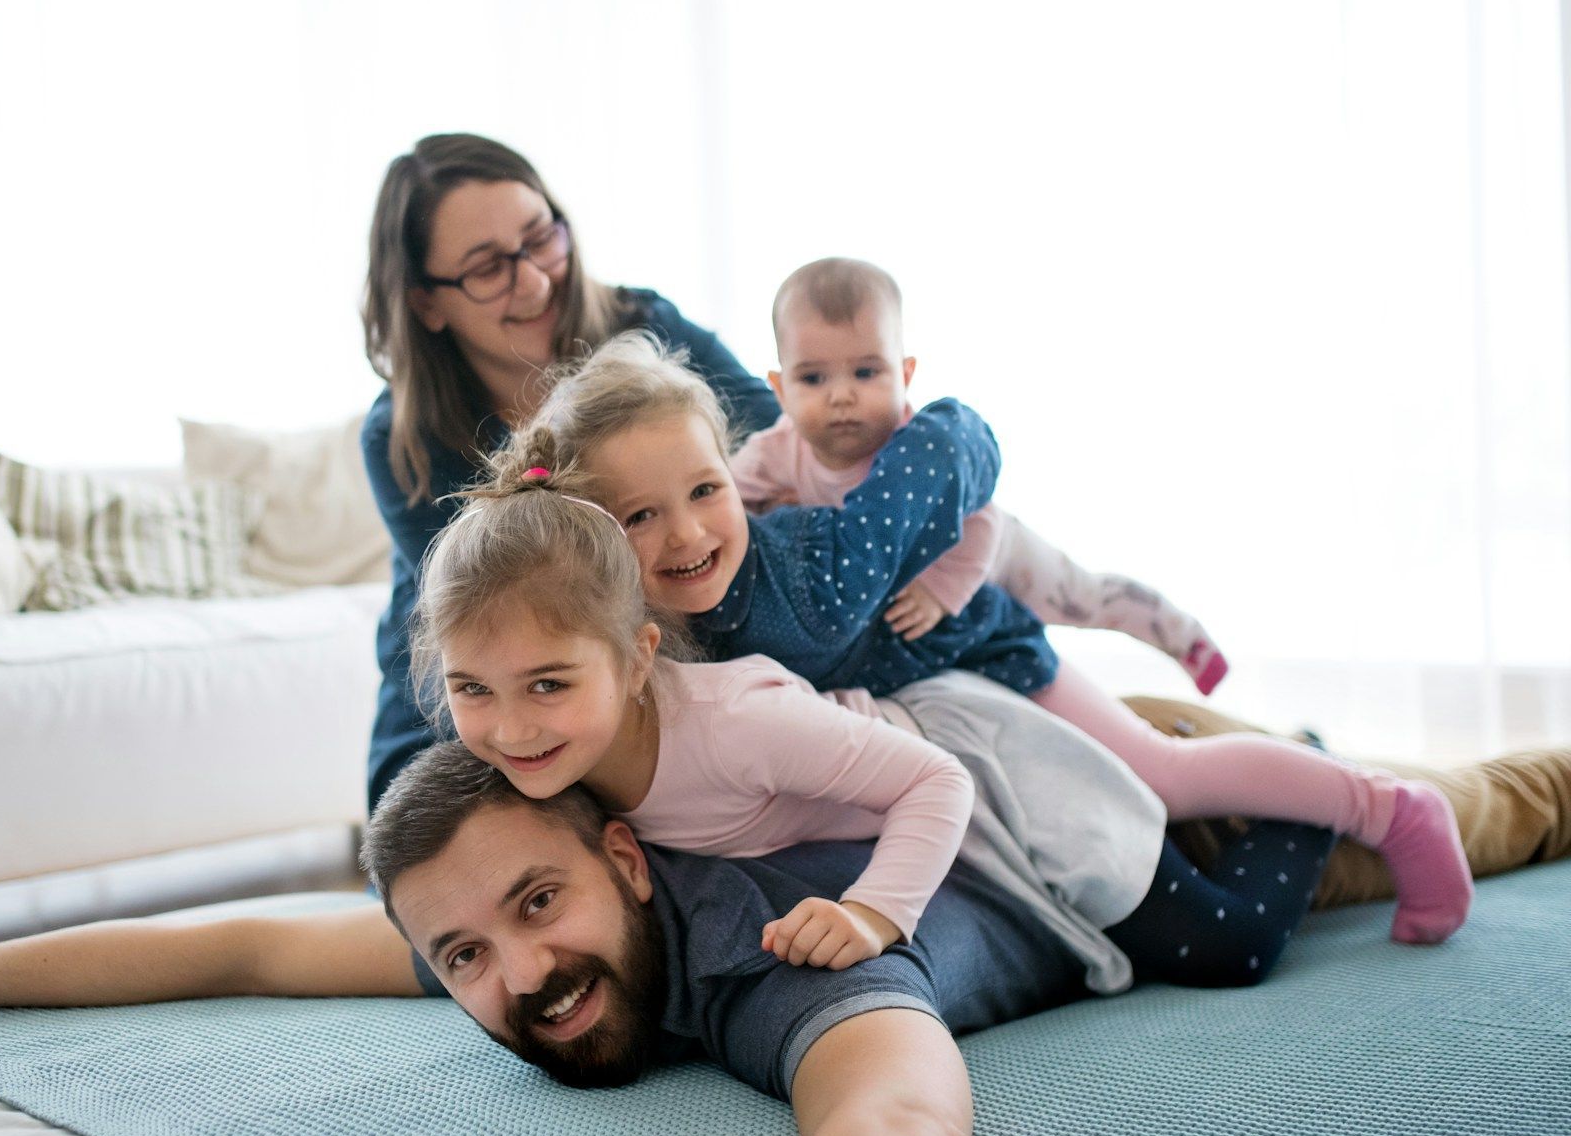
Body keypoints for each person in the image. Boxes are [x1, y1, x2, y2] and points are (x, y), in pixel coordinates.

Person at [0, 739, 1120, 1136]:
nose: (524, 972)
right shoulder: (521, 933)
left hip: (1075, 832)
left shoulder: (768, 960)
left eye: (537, 899)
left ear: (627, 856)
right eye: (463, 953)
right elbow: (235, 940)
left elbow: (897, 1119)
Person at [511, 331, 1472, 943]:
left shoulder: (816, 570)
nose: (683, 534)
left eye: (703, 493)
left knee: (1163, 776)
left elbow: (952, 434)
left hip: (983, 649)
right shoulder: (634, 629)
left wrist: (939, 514)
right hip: (923, 714)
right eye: (638, 517)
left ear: (735, 473)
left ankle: (1388, 808)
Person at [411, 454, 1330, 984]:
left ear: (639, 657)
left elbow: (938, 782)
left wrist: (874, 915)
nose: (510, 727)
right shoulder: (522, 764)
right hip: (899, 781)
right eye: (472, 689)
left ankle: (1303, 773)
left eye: (546, 685)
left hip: (981, 763)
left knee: (1226, 946)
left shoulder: (737, 725)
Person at [359, 133, 781, 811]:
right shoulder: (401, 438)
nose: (535, 279)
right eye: (487, 268)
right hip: (485, 697)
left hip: (648, 664)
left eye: (540, 237)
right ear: (425, 302)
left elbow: (780, 448)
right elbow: (512, 621)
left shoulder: (643, 324)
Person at [731, 257, 1228, 694]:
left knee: (1083, 600)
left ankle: (1183, 638)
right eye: (813, 378)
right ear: (778, 387)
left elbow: (980, 522)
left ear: (904, 376)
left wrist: (941, 591)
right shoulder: (776, 451)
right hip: (943, 599)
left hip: (995, 556)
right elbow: (726, 501)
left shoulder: (914, 445)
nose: (841, 396)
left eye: (866, 373)